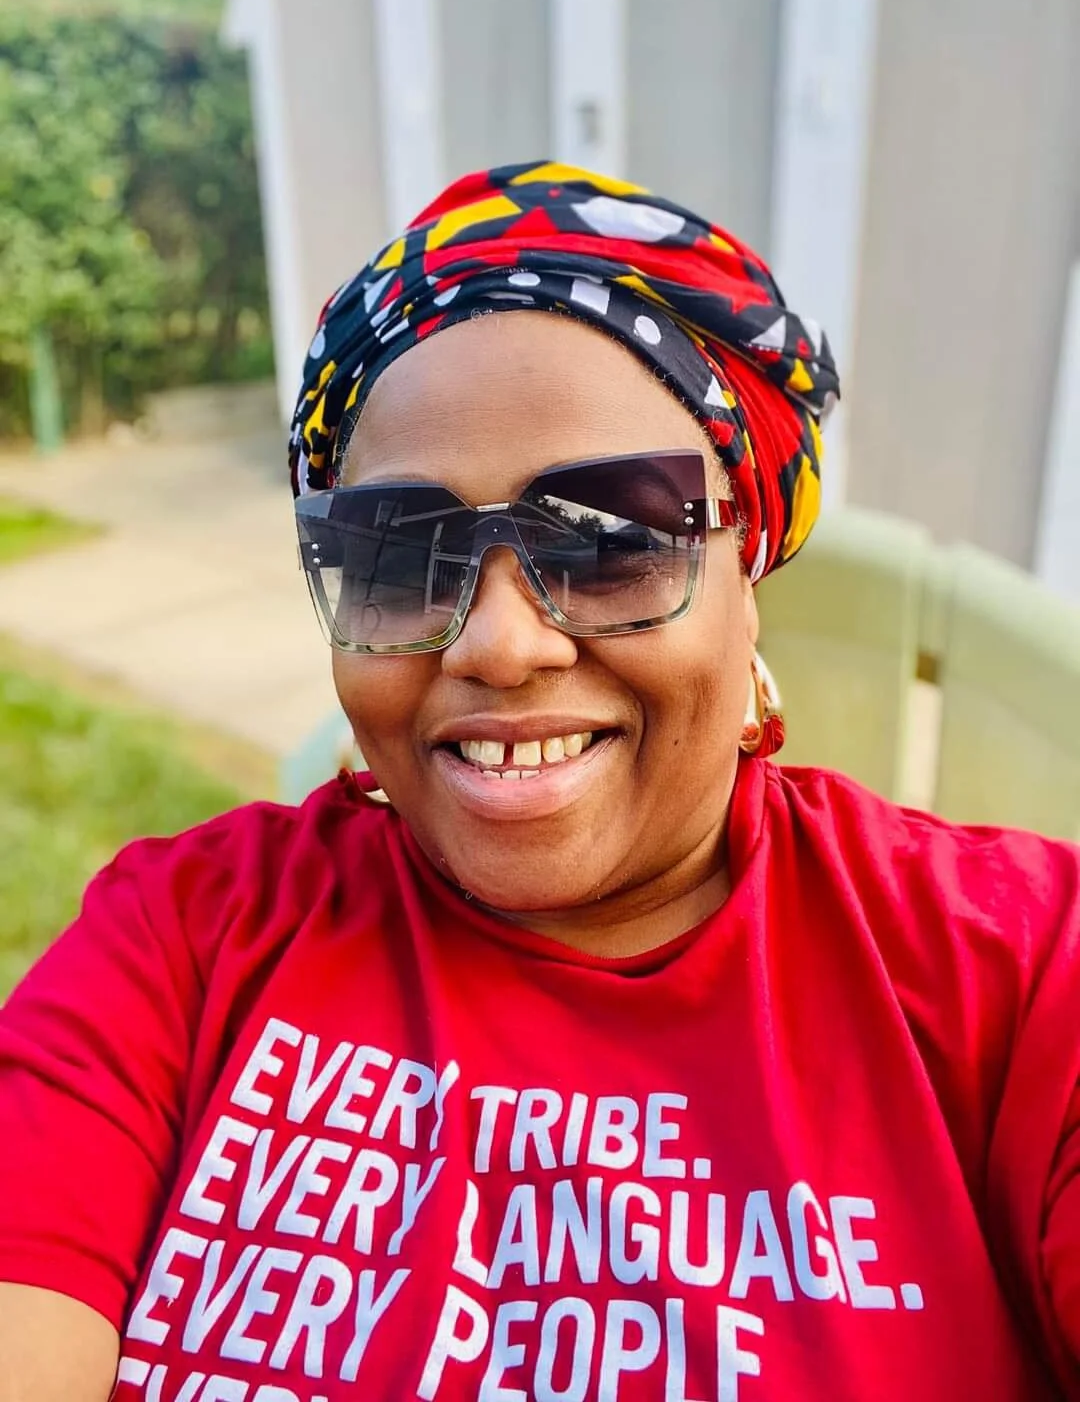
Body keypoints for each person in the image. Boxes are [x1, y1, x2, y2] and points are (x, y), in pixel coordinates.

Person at [0, 160, 1078, 1402]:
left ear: (750, 569)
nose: (499, 647)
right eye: (398, 553)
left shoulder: (1022, 969)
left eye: (612, 537)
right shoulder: (183, 941)